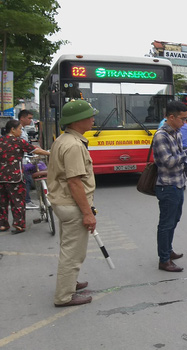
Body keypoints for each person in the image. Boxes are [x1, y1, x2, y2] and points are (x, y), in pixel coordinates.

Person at [48, 100, 98, 307]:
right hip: (72, 205)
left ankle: (70, 283)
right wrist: (88, 213)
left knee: (68, 247)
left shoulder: (63, 140)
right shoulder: (74, 145)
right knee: (73, 253)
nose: (93, 119)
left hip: (62, 202)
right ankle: (64, 296)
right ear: (78, 120)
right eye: (90, 116)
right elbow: (75, 182)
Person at [153, 101, 187, 272]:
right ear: (171, 117)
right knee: (166, 223)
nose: (184, 123)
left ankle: (168, 250)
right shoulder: (161, 136)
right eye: (182, 119)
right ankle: (164, 260)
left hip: (179, 183)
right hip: (167, 185)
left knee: (174, 220)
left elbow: (180, 156)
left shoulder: (177, 133)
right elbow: (168, 161)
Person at [0, 120, 49, 234]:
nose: (21, 131)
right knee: (17, 201)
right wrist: (49, 153)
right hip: (15, 176)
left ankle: (3, 225)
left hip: (1, 176)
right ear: (12, 129)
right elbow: (35, 149)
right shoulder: (18, 141)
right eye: (19, 129)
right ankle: (18, 225)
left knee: (2, 202)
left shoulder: (1, 140)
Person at [18, 110, 37, 209]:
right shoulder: (18, 130)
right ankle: (26, 201)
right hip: (20, 161)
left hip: (25, 159)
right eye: (29, 118)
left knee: (29, 178)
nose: (31, 120)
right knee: (28, 180)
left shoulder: (23, 130)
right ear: (22, 118)